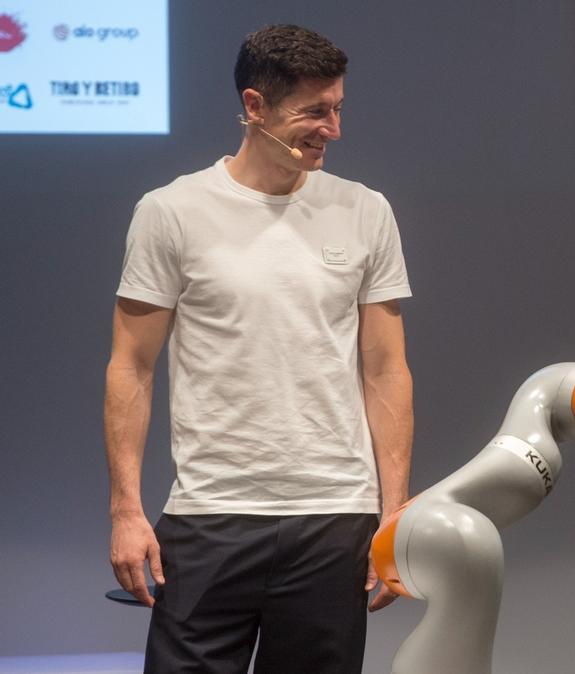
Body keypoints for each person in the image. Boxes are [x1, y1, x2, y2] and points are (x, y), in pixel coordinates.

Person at [104, 24, 413, 672]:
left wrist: (395, 510)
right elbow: (131, 365)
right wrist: (127, 510)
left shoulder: (366, 212)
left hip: (335, 516)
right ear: (254, 107)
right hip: (210, 513)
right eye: (314, 112)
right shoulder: (172, 212)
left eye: (338, 108)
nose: (333, 128)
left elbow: (385, 368)